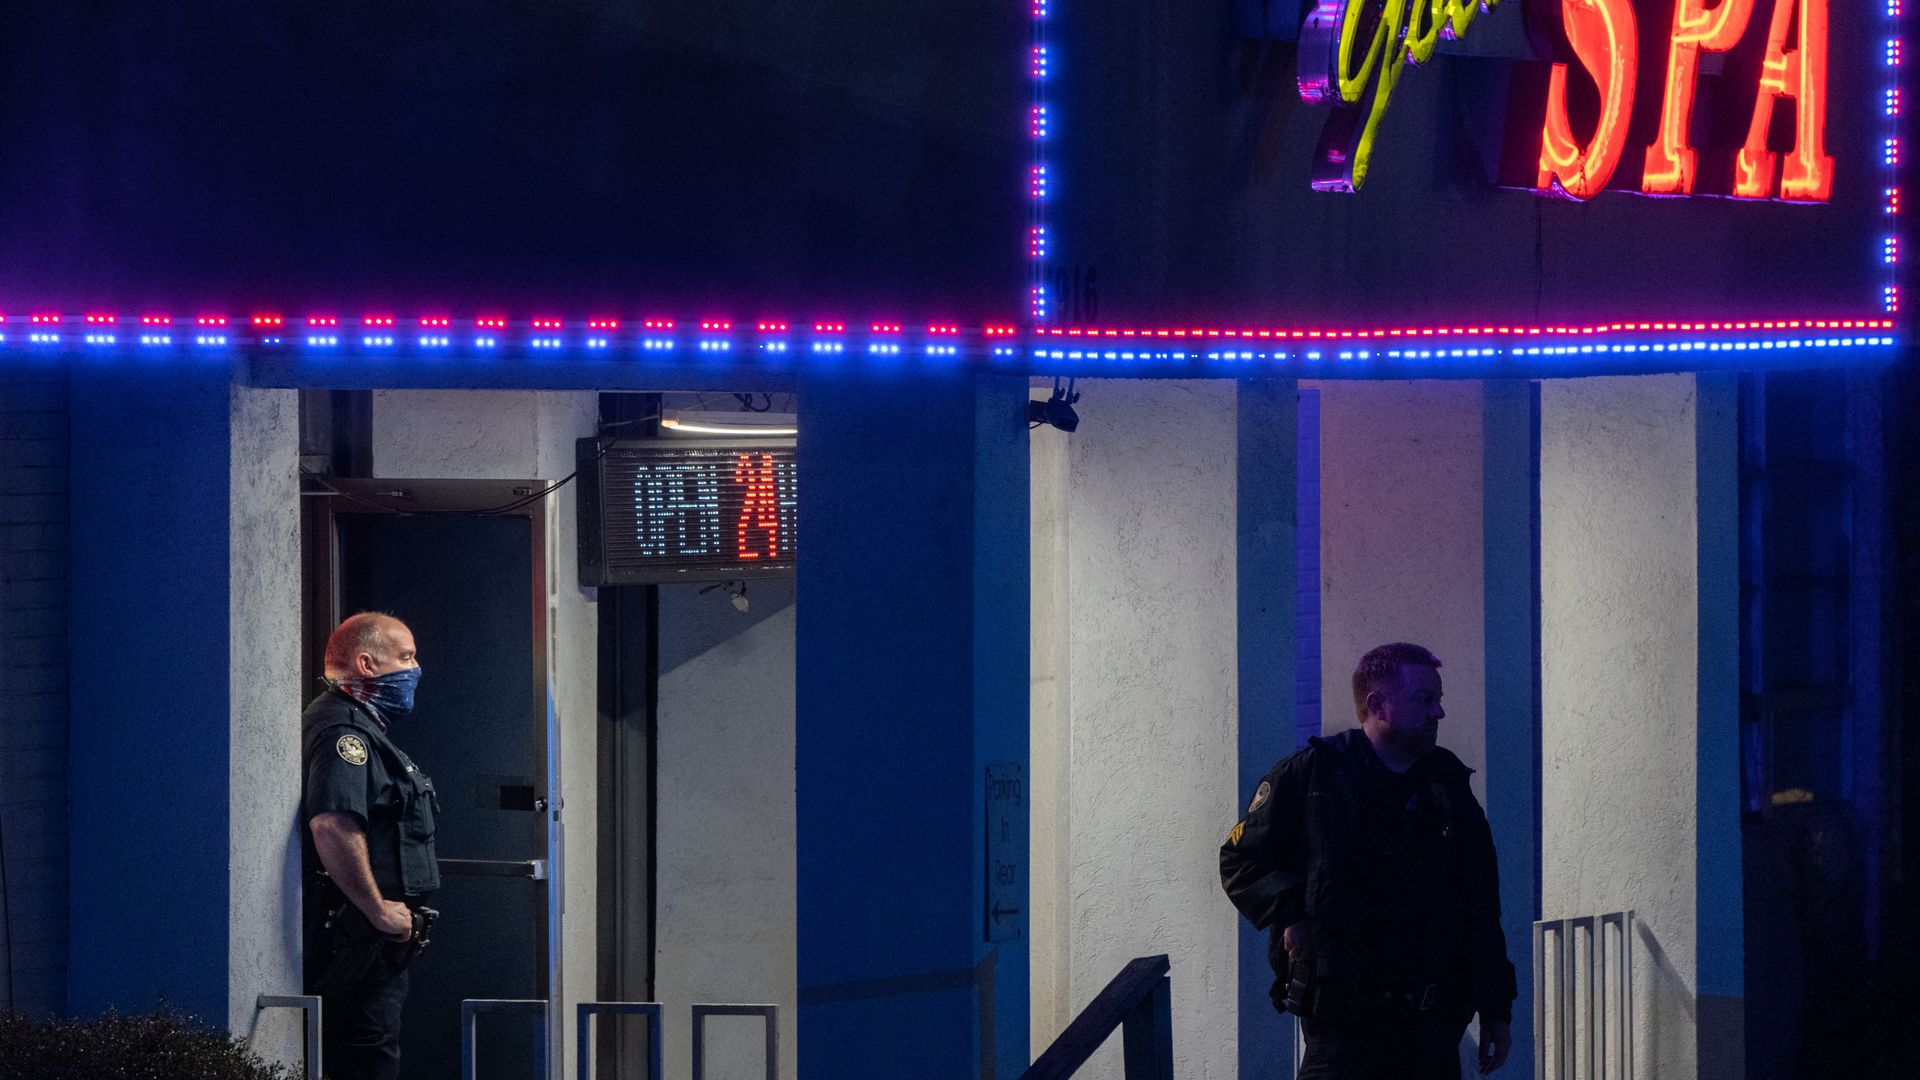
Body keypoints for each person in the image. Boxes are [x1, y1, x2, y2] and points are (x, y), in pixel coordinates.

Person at [1220, 643, 1515, 1079]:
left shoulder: (1449, 789)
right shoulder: (1313, 776)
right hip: (1342, 1033)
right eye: (1423, 699)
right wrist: (1291, 912)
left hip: (1430, 1034)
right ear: (1377, 704)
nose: (1438, 713)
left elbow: (1481, 907)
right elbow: (1240, 860)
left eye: (1438, 699)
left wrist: (1496, 1009)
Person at [302, 612, 441, 1080]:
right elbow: (333, 826)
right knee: (367, 1061)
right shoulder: (345, 734)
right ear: (366, 664)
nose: (415, 668)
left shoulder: (366, 728)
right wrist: (378, 909)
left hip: (371, 945)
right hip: (357, 942)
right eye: (405, 657)